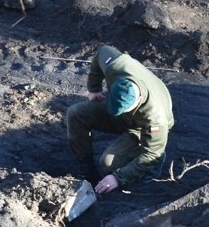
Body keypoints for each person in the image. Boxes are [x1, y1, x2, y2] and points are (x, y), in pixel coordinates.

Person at [66, 45, 174, 194]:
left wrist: (118, 178)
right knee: (75, 113)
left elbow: (152, 154)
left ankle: (150, 169)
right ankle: (86, 170)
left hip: (141, 128)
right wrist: (94, 89)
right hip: (122, 115)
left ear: (136, 102)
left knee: (107, 164)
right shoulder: (117, 66)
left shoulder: (155, 118)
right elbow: (101, 52)